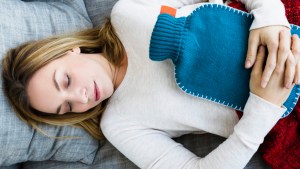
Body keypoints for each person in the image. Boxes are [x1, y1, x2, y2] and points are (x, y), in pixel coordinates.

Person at [2, 0, 300, 168]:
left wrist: (270, 15)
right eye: (66, 107)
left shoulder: (128, 13)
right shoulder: (119, 124)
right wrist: (264, 107)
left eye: (65, 80)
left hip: (275, 28)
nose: (80, 98)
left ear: (70, 50)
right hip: (281, 118)